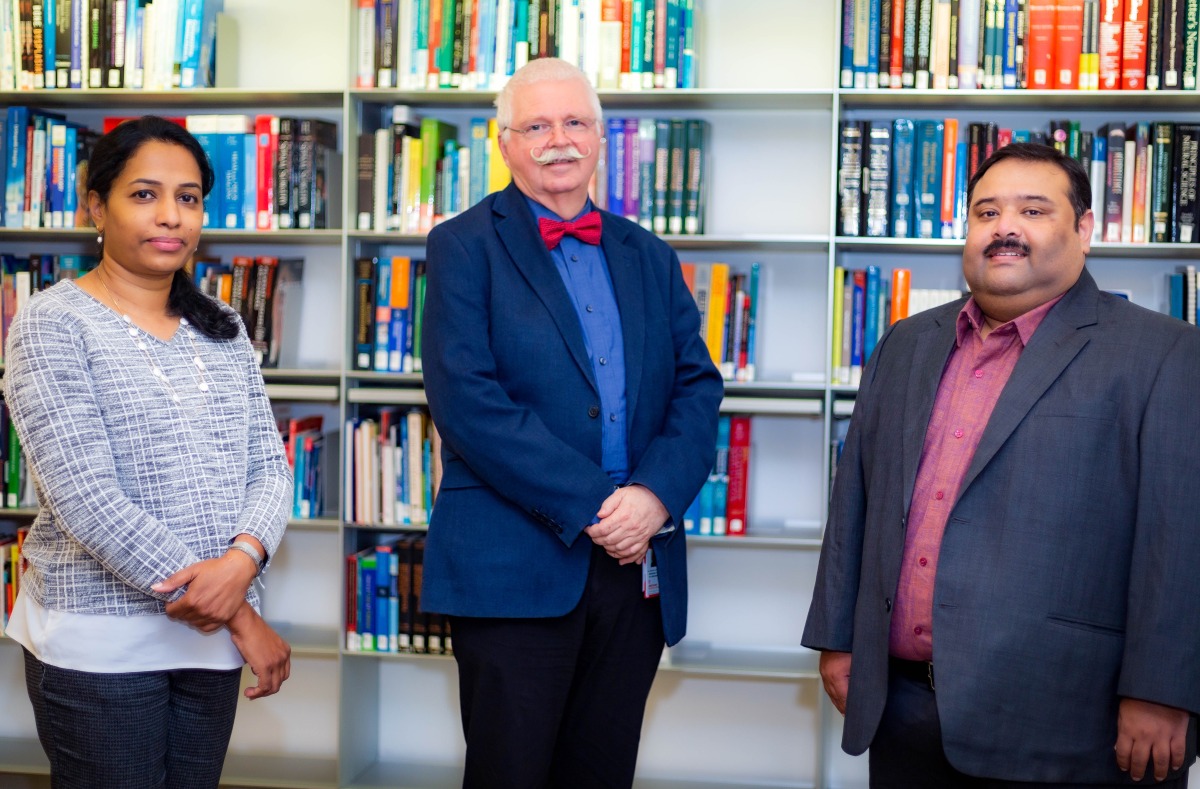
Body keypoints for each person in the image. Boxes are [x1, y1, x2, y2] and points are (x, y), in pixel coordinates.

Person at [803, 141, 1200, 787]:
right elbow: (855, 501)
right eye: (986, 212)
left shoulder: (1164, 352)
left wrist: (1163, 688)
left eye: (1033, 211)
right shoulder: (906, 342)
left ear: (1084, 230)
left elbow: (1182, 537)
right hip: (903, 705)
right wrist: (838, 636)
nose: (1004, 228)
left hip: (1071, 717)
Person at [420, 57, 724, 789]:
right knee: (510, 774)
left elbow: (697, 387)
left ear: (599, 138)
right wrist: (596, 503)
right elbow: (468, 402)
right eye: (537, 126)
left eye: (575, 122)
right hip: (514, 565)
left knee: (602, 773)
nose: (558, 140)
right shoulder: (461, 245)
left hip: (634, 566)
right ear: (505, 144)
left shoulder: (648, 253)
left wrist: (652, 498)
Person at [4, 115, 293, 789]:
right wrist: (238, 609)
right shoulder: (51, 322)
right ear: (95, 206)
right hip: (100, 642)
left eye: (188, 197)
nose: (171, 215)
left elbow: (269, 467)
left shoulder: (222, 325)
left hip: (209, 644)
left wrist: (243, 559)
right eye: (144, 194)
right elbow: (86, 499)